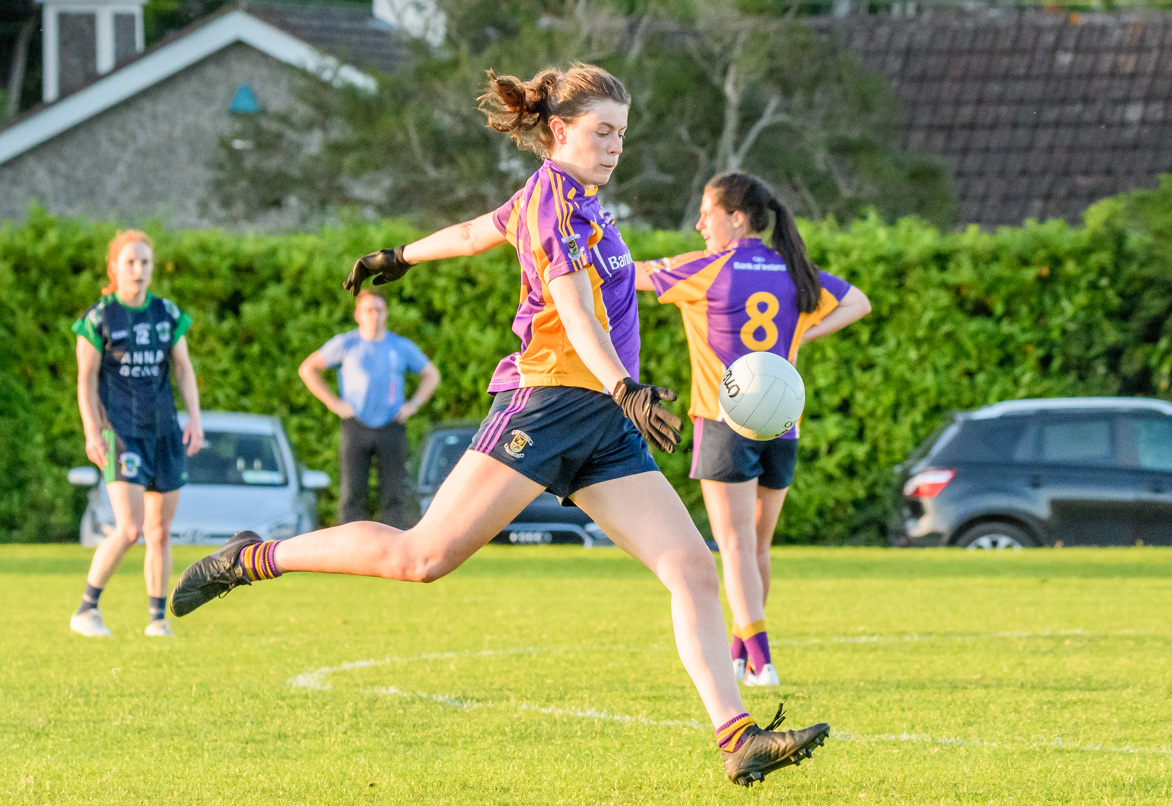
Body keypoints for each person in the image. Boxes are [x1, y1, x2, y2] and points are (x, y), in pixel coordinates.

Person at [170, 64, 829, 787]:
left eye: (621, 134)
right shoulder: (555, 201)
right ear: (557, 131)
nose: (614, 147)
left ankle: (737, 738)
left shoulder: (581, 201)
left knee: (691, 569)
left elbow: (475, 230)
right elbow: (574, 309)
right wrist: (623, 385)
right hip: (545, 405)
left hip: (601, 423)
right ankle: (250, 557)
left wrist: (401, 255)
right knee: (420, 558)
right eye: (601, 131)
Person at [634, 172, 871, 687]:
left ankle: (761, 660)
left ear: (736, 217)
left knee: (736, 546)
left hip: (726, 420)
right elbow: (859, 302)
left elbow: (626, 276)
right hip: (783, 423)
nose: (699, 223)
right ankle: (742, 652)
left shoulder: (706, 267)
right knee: (757, 548)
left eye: (707, 212)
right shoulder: (791, 267)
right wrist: (800, 335)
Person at [70, 230, 204, 638]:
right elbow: (86, 379)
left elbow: (182, 368)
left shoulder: (166, 312)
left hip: (164, 431)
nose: (138, 269)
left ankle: (157, 620)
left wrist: (194, 419)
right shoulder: (99, 318)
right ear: (114, 268)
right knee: (130, 528)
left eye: (144, 262)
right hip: (120, 433)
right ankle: (86, 609)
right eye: (129, 262)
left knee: (160, 531)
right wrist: (92, 431)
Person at [298, 290, 440, 529]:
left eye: (379, 310)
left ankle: (396, 550)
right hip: (356, 425)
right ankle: (348, 549)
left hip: (392, 425)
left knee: (394, 494)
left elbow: (431, 375)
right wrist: (333, 402)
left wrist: (412, 405)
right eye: (369, 310)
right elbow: (308, 369)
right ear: (358, 314)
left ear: (386, 314)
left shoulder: (399, 346)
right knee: (352, 493)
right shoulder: (346, 343)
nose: (374, 315)